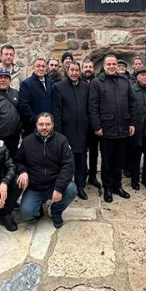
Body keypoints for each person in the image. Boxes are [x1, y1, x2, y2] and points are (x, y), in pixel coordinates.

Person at [88, 54, 136, 202]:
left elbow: (132, 103)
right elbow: (93, 106)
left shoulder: (124, 81)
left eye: (114, 64)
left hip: (123, 127)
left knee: (120, 160)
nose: (112, 66)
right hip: (106, 129)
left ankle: (117, 186)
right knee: (107, 161)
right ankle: (107, 188)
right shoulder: (97, 82)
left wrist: (132, 123)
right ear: (104, 66)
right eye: (108, 64)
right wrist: (97, 126)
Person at [16, 113, 77, 229]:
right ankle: (38, 209)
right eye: (41, 124)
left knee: (72, 189)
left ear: (53, 125)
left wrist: (59, 188)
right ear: (36, 125)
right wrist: (22, 171)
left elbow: (68, 166)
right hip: (35, 187)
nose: (44, 127)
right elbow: (18, 161)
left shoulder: (62, 141)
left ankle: (56, 211)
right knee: (26, 215)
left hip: (54, 184)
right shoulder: (27, 141)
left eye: (48, 124)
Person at [52, 61, 91, 199]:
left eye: (76, 70)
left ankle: (80, 187)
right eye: (71, 70)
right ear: (67, 71)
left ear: (80, 72)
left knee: (81, 160)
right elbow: (57, 113)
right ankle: (65, 187)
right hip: (66, 131)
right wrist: (59, 134)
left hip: (82, 131)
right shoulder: (59, 87)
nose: (74, 73)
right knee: (66, 162)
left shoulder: (85, 87)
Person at [81, 60, 102, 192]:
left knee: (94, 152)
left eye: (90, 67)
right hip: (82, 124)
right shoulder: (78, 82)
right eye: (85, 67)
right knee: (82, 152)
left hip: (94, 124)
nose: (88, 69)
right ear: (82, 69)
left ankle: (93, 176)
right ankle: (82, 175)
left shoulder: (98, 82)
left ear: (93, 69)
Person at [18, 58, 54, 136]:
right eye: (38, 66)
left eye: (43, 66)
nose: (41, 68)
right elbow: (24, 106)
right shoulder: (26, 84)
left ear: (46, 68)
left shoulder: (50, 82)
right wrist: (37, 121)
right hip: (33, 127)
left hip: (48, 126)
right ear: (33, 68)